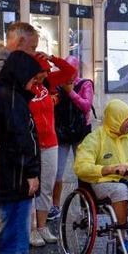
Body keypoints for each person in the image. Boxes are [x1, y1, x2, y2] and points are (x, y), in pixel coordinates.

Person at [74, 99, 128, 254]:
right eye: (126, 122)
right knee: (121, 191)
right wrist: (108, 169)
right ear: (115, 120)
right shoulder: (94, 139)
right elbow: (80, 167)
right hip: (102, 182)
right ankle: (121, 240)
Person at [0, 51, 44, 254]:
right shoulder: (13, 100)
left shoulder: (10, 96)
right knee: (14, 234)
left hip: (12, 177)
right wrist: (30, 173)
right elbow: (20, 140)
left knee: (13, 233)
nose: (35, 85)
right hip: (15, 180)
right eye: (33, 79)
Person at [28, 53, 76, 247]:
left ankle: (42, 227)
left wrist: (52, 58)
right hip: (32, 143)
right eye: (41, 71)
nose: (44, 75)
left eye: (46, 71)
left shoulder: (47, 84)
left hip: (51, 143)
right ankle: (30, 230)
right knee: (31, 189)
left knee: (47, 187)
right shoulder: (26, 88)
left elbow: (70, 71)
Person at [53, 55, 94, 222]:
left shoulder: (85, 84)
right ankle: (54, 206)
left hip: (80, 133)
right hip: (61, 133)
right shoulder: (57, 84)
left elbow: (86, 105)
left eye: (70, 70)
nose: (67, 73)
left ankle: (86, 207)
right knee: (57, 172)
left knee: (83, 171)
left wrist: (70, 93)